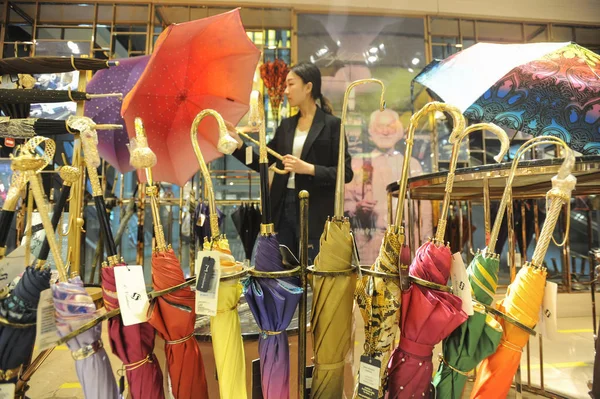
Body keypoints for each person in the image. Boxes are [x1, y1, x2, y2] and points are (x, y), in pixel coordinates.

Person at [228, 62, 353, 261]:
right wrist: (237, 146)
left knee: (313, 267)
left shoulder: (332, 125)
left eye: (290, 84)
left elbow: (345, 173)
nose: (285, 91)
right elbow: (264, 161)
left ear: (308, 87)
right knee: (284, 270)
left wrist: (308, 169)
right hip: (282, 206)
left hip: (315, 210)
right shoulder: (286, 125)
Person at [345, 108, 432, 264]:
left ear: (399, 131)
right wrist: (358, 207)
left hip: (406, 241)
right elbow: (346, 203)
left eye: (390, 126)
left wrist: (427, 242)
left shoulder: (411, 164)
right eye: (380, 126)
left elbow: (424, 209)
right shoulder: (357, 163)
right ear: (370, 131)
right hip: (369, 241)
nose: (385, 132)